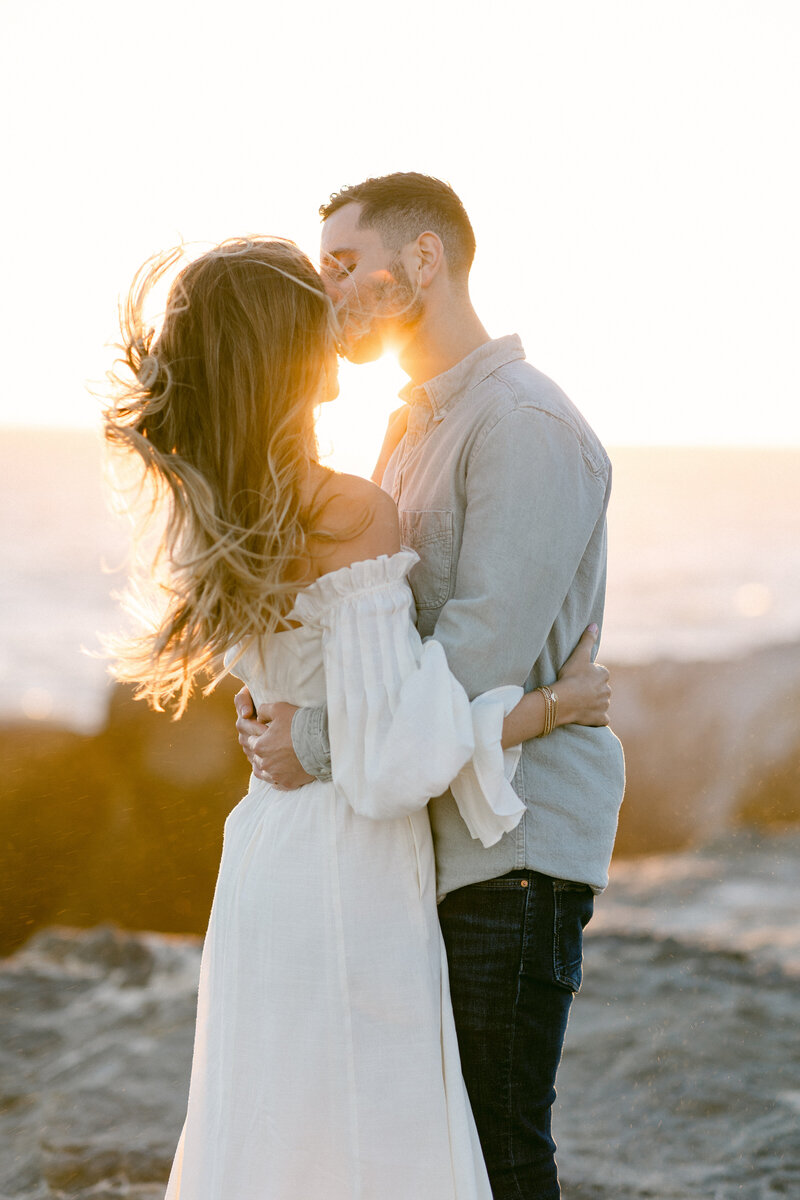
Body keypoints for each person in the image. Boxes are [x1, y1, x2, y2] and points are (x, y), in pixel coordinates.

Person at [103, 235, 612, 1200]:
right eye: (318, 293)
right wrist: (551, 707)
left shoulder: (217, 511)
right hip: (349, 860)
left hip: (261, 853)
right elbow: (389, 760)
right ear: (291, 348)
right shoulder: (348, 512)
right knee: (375, 1142)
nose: (339, 313)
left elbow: (329, 720)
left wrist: (303, 734)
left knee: (275, 1131)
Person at [235, 173, 626, 1199]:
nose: (327, 296)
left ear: (423, 260)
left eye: (342, 266)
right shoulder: (411, 423)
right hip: (429, 834)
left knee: (497, 1148)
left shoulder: (522, 425)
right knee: (429, 1149)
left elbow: (465, 663)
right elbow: (373, 633)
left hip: (515, 842)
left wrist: (310, 739)